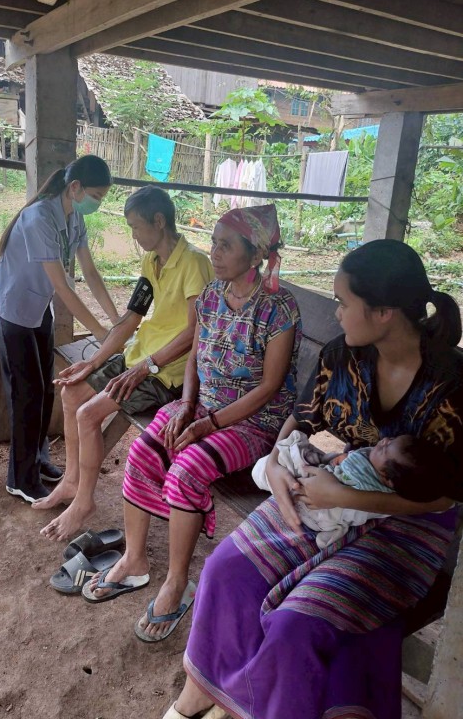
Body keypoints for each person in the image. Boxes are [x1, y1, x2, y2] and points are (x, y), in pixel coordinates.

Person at [167, 238, 463, 719]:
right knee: (226, 570)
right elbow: (301, 421)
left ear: (384, 312)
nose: (338, 313)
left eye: (345, 303)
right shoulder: (342, 356)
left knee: (295, 626)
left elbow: (445, 496)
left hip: (407, 525)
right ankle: (202, 692)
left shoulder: (451, 383)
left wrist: (346, 495)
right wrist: (278, 467)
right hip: (331, 494)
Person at [83, 205, 302, 645]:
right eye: (214, 242)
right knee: (147, 448)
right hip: (202, 408)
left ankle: (177, 581)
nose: (215, 253)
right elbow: (197, 359)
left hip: (253, 423)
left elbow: (270, 386)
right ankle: (135, 560)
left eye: (225, 245)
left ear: (255, 253)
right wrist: (186, 405)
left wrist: (210, 423)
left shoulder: (278, 308)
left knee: (186, 468)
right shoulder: (211, 296)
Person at [32, 186, 214, 541]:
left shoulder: (194, 263)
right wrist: (95, 361)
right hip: (138, 358)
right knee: (71, 394)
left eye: (135, 227)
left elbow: (195, 332)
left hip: (167, 374)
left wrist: (147, 367)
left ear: (159, 221)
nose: (133, 235)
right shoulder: (152, 261)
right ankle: (71, 481)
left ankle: (84, 502)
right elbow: (132, 316)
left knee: (87, 414)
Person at [0, 155, 119, 504]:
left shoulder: (74, 219)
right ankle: (20, 477)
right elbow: (63, 287)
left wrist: (116, 319)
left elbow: (90, 272)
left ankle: (39, 458)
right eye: (97, 196)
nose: (98, 203)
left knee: (44, 390)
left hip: (36, 307)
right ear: (75, 188)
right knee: (25, 394)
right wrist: (102, 334)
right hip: (13, 307)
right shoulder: (39, 218)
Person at [253, 429, 455, 548]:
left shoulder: (369, 481)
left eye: (385, 448)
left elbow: (341, 475)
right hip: (323, 516)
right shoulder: (388, 485)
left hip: (314, 499)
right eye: (391, 439)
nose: (384, 441)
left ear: (386, 478)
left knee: (272, 462)